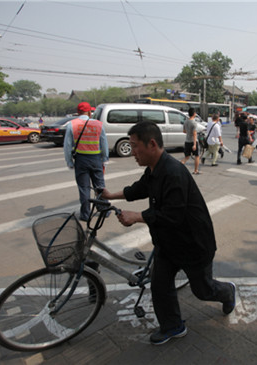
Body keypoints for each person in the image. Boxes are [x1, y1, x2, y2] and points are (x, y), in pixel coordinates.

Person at [99, 122, 236, 345]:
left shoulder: (173, 172)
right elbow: (139, 188)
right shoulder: (154, 169)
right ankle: (173, 326)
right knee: (160, 284)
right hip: (168, 242)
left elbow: (173, 216)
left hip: (193, 243)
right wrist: (110, 195)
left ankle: (227, 291)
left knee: (203, 290)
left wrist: (136, 217)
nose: (132, 152)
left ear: (151, 144)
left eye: (135, 146)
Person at [64, 102, 109, 221]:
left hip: (81, 159)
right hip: (96, 159)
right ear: (90, 112)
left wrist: (69, 162)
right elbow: (104, 144)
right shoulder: (99, 125)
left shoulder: (71, 125)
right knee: (99, 185)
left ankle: (85, 214)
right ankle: (103, 209)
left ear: (78, 112)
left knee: (84, 188)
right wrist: (105, 159)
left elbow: (67, 146)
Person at [180, 108, 201, 174]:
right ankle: (196, 170)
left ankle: (179, 166)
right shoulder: (194, 123)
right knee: (197, 156)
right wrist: (194, 144)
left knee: (186, 157)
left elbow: (184, 131)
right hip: (193, 141)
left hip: (187, 141)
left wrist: (189, 132)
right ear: (194, 114)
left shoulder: (186, 121)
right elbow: (195, 134)